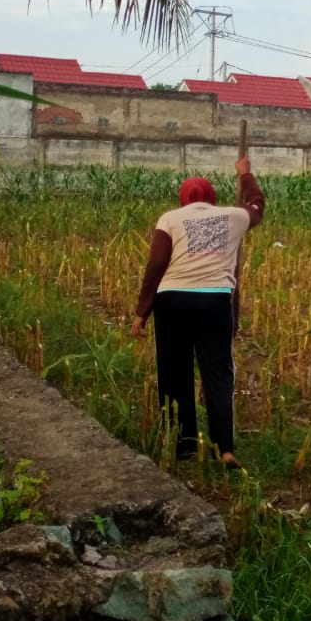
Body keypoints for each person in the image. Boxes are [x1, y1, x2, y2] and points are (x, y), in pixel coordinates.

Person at [132, 157, 265, 468]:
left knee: (174, 373)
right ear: (211, 196)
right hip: (214, 302)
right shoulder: (233, 215)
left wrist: (142, 312)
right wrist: (245, 176)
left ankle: (184, 445)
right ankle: (225, 449)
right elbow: (257, 205)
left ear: (183, 198)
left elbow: (156, 266)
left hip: (172, 301)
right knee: (218, 374)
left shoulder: (170, 219)